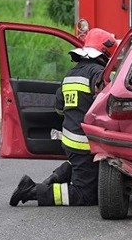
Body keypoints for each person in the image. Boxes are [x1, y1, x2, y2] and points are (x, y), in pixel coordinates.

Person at [9, 28, 118, 207]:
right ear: (104, 54)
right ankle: (32, 191)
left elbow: (59, 108)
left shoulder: (70, 75)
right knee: (86, 195)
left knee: (81, 167)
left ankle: (52, 179)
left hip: (70, 142)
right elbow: (107, 99)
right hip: (85, 144)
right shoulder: (98, 74)